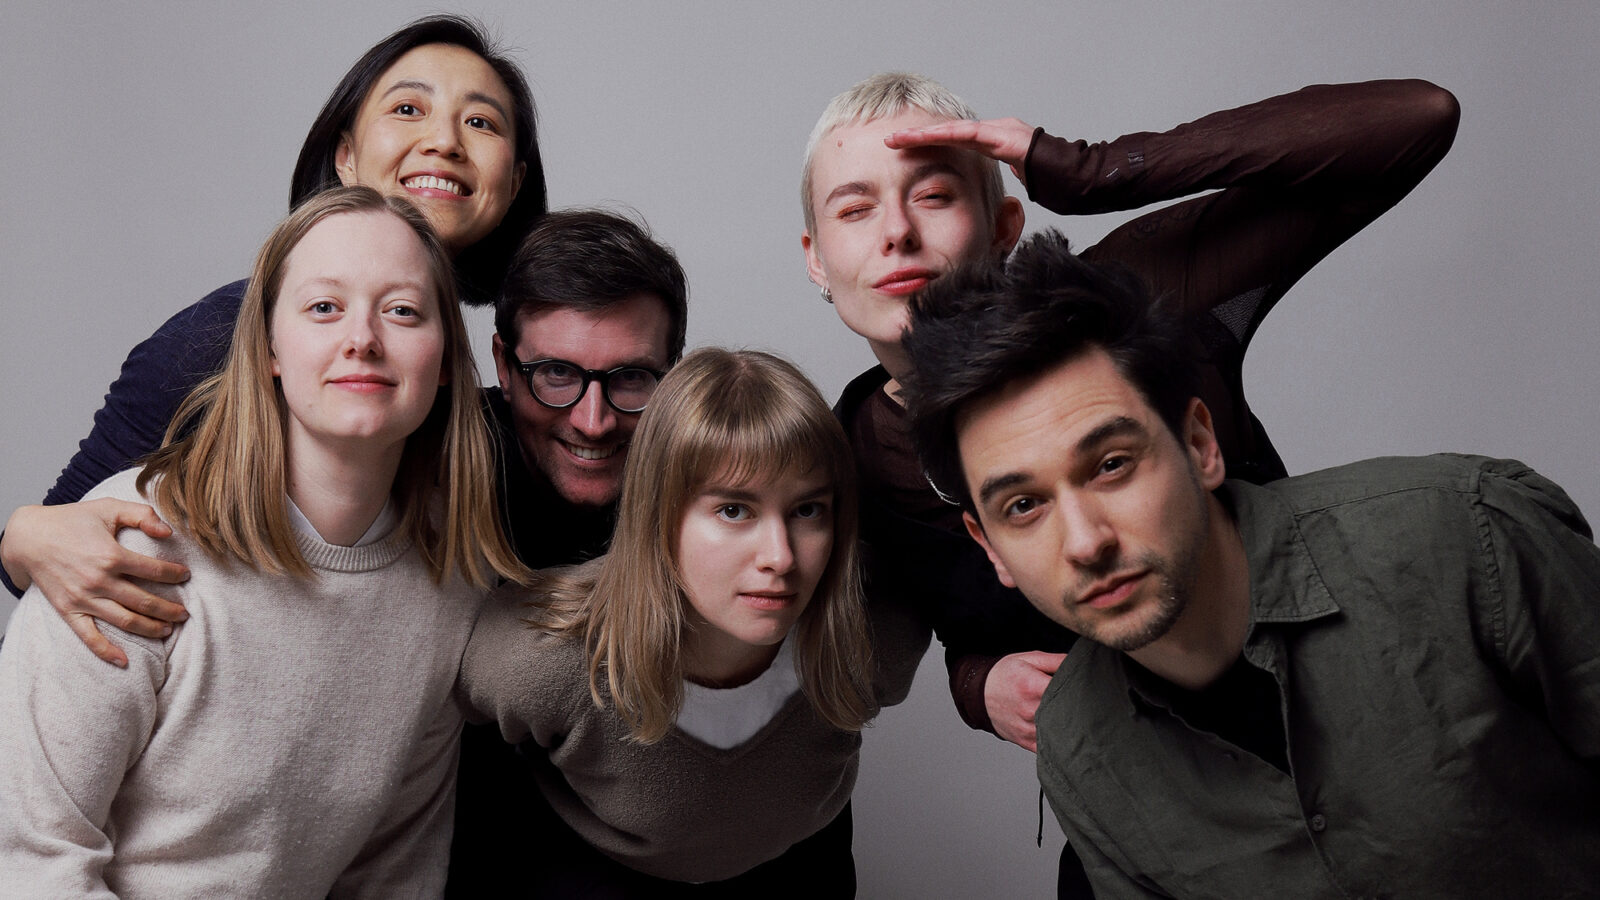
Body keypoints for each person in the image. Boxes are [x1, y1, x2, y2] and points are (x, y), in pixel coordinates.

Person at [899, 231, 1600, 898]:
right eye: (1023, 506)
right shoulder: (1081, 749)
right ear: (989, 547)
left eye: (1112, 465)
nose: (1085, 542)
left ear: (1201, 444)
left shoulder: (1464, 536)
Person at [799, 72, 1460, 755]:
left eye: (934, 196)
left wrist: (1092, 168)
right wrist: (978, 683)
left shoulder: (1121, 312)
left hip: (1363, 733)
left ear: (1003, 228)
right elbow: (943, 623)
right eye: (855, 211)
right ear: (816, 259)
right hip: (1147, 809)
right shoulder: (849, 457)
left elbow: (1417, 120)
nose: (898, 232)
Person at [0, 187, 527, 897]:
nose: (362, 339)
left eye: (402, 311)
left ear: (444, 362)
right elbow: (32, 858)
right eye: (323, 307)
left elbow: (394, 870)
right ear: (270, 349)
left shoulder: (450, 578)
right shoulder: (130, 542)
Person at [0, 14, 545, 665]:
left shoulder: (486, 396)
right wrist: (20, 536)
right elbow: (51, 549)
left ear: (512, 184)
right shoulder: (224, 335)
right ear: (346, 157)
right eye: (408, 108)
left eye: (481, 122)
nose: (444, 141)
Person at [459, 348, 925, 897]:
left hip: (804, 861)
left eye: (807, 510)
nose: (780, 556)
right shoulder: (537, 658)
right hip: (603, 871)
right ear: (659, 516)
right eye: (734, 510)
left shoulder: (876, 630)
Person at [448, 207, 689, 897]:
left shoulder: (722, 485)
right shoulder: (425, 463)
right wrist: (113, 510)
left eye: (632, 378)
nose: (594, 420)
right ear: (502, 362)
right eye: (555, 374)